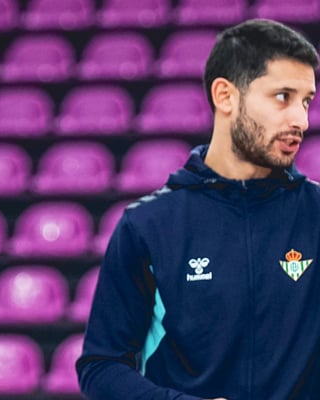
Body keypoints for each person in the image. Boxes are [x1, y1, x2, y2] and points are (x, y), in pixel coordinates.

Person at [77, 18, 320, 400]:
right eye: (282, 97)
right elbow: (101, 367)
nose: (301, 120)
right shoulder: (147, 225)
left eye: (306, 101)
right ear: (225, 96)